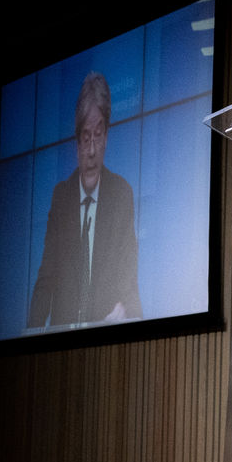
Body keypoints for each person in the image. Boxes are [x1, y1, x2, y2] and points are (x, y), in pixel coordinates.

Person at [27, 71, 142, 329]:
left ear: (107, 138)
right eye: (86, 137)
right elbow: (46, 278)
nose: (91, 151)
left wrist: (126, 311)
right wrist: (31, 332)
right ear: (77, 143)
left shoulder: (121, 194)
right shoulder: (61, 197)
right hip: (64, 341)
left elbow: (129, 277)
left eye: (98, 136)